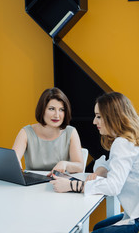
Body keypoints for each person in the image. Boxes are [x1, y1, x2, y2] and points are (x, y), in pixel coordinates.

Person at [50, 92, 139, 233]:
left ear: (113, 117)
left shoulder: (122, 143)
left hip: (137, 218)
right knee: (98, 227)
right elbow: (107, 164)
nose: (94, 122)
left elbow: (113, 187)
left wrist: (73, 185)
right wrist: (101, 170)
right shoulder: (129, 140)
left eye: (98, 116)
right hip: (134, 212)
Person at [12, 87, 84, 175]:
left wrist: (64, 164)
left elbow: (80, 166)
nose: (57, 115)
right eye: (51, 109)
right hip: (31, 185)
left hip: (59, 184)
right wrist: (15, 163)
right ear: (42, 110)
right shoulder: (26, 132)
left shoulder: (71, 132)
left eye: (61, 110)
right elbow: (14, 159)